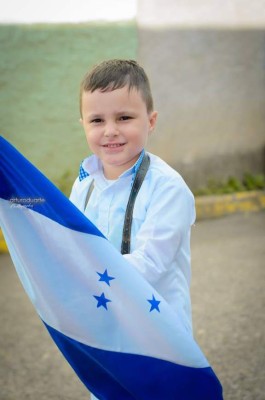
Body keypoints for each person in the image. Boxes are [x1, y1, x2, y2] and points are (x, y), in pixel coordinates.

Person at [69, 59, 196, 400]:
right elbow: (71, 247)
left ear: (150, 121)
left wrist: (88, 277)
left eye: (124, 117)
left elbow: (151, 263)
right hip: (107, 330)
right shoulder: (83, 186)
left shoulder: (168, 188)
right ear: (83, 125)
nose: (110, 130)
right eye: (97, 120)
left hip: (158, 337)